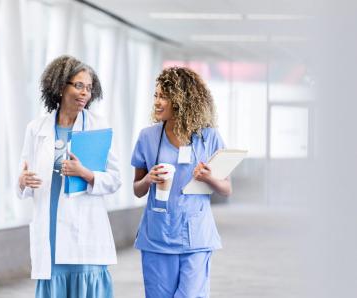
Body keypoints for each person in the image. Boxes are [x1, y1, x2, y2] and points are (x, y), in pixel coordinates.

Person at [17, 55, 121, 298]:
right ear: (60, 86)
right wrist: (22, 181)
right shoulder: (36, 128)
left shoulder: (98, 126)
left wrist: (85, 173)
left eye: (88, 87)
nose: (85, 93)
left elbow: (115, 179)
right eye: (78, 85)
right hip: (50, 227)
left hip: (84, 228)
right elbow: (23, 175)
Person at [131, 66, 232, 298]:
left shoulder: (209, 137)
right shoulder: (148, 137)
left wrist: (210, 178)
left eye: (164, 96)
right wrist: (148, 179)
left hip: (196, 237)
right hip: (157, 237)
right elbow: (137, 190)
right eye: (156, 95)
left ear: (182, 100)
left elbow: (227, 188)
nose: (157, 102)